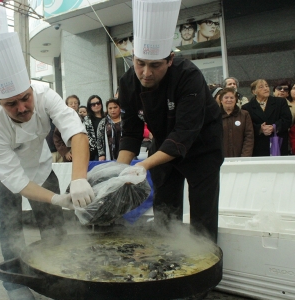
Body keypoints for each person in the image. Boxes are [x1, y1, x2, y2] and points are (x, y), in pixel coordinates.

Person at [0, 32, 94, 300]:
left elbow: (76, 132)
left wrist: (78, 179)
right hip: (2, 176)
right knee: (11, 223)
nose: (22, 107)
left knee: (52, 222)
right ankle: (14, 282)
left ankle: (58, 272)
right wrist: (57, 198)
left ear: (30, 87)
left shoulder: (45, 95)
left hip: (40, 166)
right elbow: (16, 181)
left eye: (25, 98)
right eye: (11, 104)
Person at [117, 0, 223, 243]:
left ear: (170, 60)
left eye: (155, 65)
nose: (146, 73)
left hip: (202, 148)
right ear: (133, 56)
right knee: (165, 215)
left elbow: (184, 133)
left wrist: (141, 166)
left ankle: (204, 279)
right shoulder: (127, 83)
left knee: (203, 220)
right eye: (140, 63)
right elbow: (131, 134)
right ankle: (166, 272)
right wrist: (119, 172)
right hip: (162, 146)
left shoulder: (189, 76)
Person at [242, 79, 292, 156]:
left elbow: (287, 120)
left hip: (278, 143)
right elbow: (247, 126)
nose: (265, 88)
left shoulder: (280, 102)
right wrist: (260, 128)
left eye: (267, 86)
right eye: (261, 87)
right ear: (254, 92)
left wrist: (274, 127)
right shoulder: (247, 107)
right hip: (259, 146)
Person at [220, 88, 254, 157]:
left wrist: (245, 157)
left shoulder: (244, 115)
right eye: (226, 97)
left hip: (241, 158)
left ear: (236, 100)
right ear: (221, 100)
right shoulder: (215, 116)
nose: (229, 100)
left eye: (232, 98)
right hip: (220, 159)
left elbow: (249, 137)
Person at [53, 95, 80, 162]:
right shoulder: (62, 119)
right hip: (69, 153)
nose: (73, 105)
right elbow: (56, 138)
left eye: (75, 103)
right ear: (67, 105)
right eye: (71, 103)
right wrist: (65, 152)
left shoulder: (82, 119)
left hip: (80, 151)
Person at [83, 95, 106, 161]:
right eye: (93, 104)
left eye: (98, 103)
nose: (96, 105)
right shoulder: (87, 120)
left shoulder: (107, 117)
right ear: (90, 107)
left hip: (108, 149)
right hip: (93, 152)